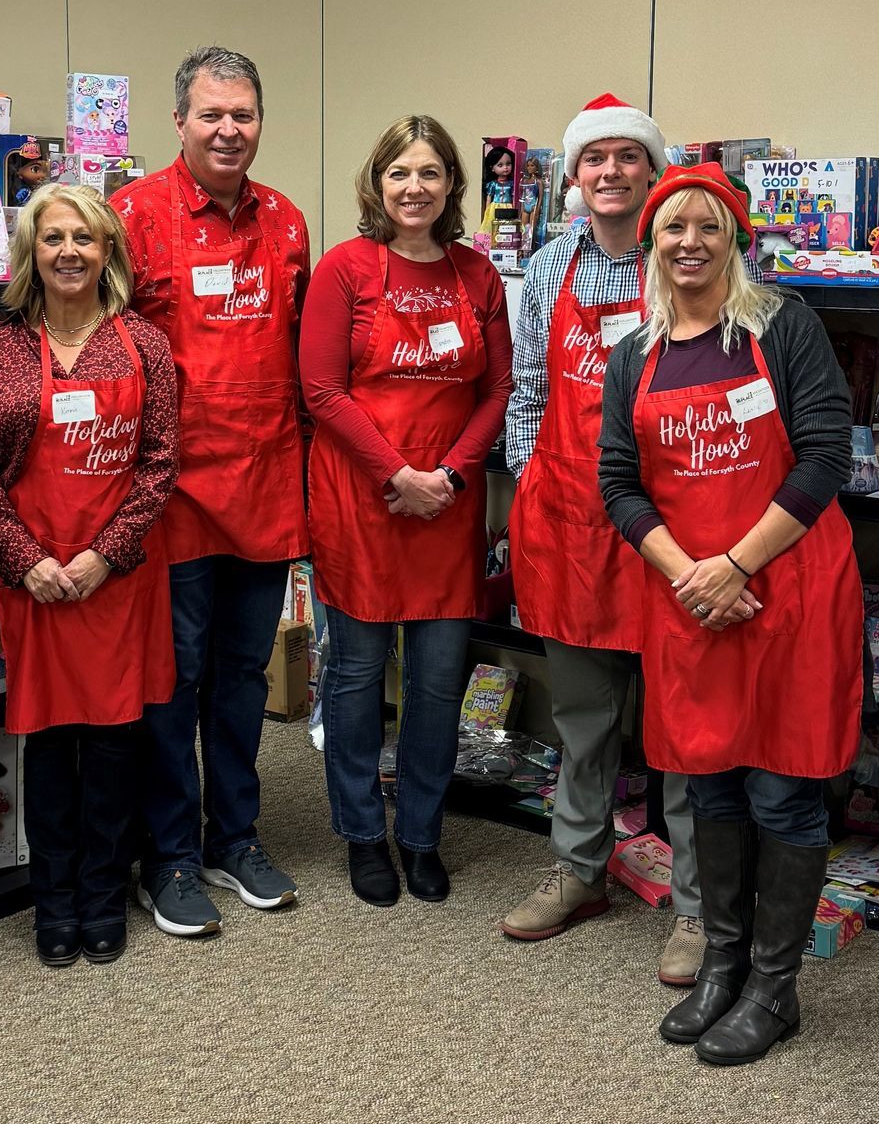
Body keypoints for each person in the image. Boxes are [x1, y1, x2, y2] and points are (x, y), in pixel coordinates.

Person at [600, 163, 861, 1067]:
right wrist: (689, 576)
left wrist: (736, 563)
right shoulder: (635, 353)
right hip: (692, 602)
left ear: (734, 238)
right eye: (673, 227)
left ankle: (774, 987)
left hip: (785, 588)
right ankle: (721, 961)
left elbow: (826, 456)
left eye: (708, 227)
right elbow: (618, 484)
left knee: (783, 791)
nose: (688, 244)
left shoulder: (782, 328)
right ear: (651, 239)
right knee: (707, 782)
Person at [499, 94, 702, 980]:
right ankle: (580, 870)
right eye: (594, 160)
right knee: (582, 717)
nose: (611, 173)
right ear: (573, 178)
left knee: (685, 727)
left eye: (628, 157)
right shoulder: (547, 265)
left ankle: (698, 907)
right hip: (572, 520)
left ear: (653, 172)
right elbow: (531, 388)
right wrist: (527, 487)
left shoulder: (686, 260)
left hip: (674, 524)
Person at [113, 49, 310, 936]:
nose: (229, 129)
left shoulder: (289, 222)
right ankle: (170, 856)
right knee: (174, 678)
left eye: (245, 114)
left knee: (239, 676)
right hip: (172, 490)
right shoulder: (131, 216)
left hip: (266, 479)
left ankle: (235, 835)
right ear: (180, 122)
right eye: (212, 115)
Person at [0, 183, 178, 967]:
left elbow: (159, 466)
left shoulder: (144, 345)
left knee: (117, 748)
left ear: (107, 250)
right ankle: (53, 900)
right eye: (53, 239)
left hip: (116, 577)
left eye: (84, 239)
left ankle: (101, 891)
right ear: (31, 253)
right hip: (37, 579)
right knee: (49, 749)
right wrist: (31, 562)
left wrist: (102, 555)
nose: (68, 253)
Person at [301, 117, 511, 904]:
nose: (414, 187)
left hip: (447, 507)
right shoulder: (345, 270)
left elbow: (497, 389)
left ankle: (421, 833)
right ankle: (361, 834)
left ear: (453, 185)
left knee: (436, 681)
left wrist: (451, 477)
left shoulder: (477, 274)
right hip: (363, 498)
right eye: (399, 173)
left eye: (430, 173)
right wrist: (398, 472)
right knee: (355, 675)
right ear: (376, 183)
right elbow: (322, 390)